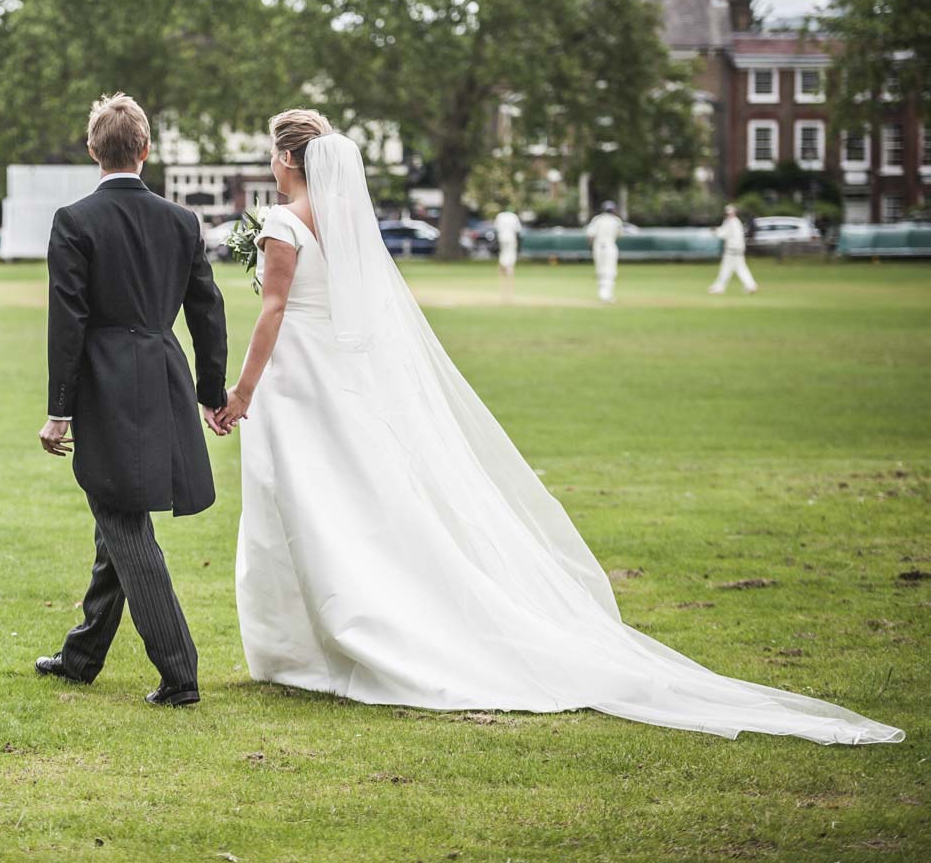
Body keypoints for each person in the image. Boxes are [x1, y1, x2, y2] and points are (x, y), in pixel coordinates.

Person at [210, 115, 901, 745]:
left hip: (300, 380)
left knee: (301, 502)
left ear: (289, 160)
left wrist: (241, 393)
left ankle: (313, 645)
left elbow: (273, 312)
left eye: (273, 154)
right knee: (345, 502)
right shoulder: (345, 225)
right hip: (341, 378)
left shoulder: (283, 224)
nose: (271, 165)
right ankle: (318, 642)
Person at [35, 93, 230, 708]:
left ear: (94, 151)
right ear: (146, 150)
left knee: (122, 520)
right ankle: (82, 656)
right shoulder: (182, 221)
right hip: (165, 375)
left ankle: (180, 672)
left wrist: (58, 410)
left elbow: (68, 322)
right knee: (114, 517)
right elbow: (208, 313)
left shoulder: (74, 220)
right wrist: (210, 392)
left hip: (106, 384)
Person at [709, 204, 758, 295]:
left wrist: (715, 231)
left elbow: (724, 234)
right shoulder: (735, 222)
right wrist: (717, 230)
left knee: (726, 269)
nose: (728, 215)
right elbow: (724, 231)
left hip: (732, 250)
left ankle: (719, 288)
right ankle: (751, 285)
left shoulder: (731, 222)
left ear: (733, 213)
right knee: (741, 268)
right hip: (738, 249)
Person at [586, 200, 624, 303]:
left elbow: (590, 235)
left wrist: (591, 247)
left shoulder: (597, 219)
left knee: (600, 270)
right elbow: (619, 234)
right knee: (610, 270)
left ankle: (603, 293)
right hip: (610, 246)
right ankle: (606, 294)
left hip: (598, 247)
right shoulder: (616, 220)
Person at [493, 207, 522, 287]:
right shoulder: (514, 216)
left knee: (503, 253)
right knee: (510, 254)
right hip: (511, 237)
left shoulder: (500, 216)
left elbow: (496, 228)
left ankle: (503, 271)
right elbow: (518, 229)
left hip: (502, 237)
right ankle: (509, 271)